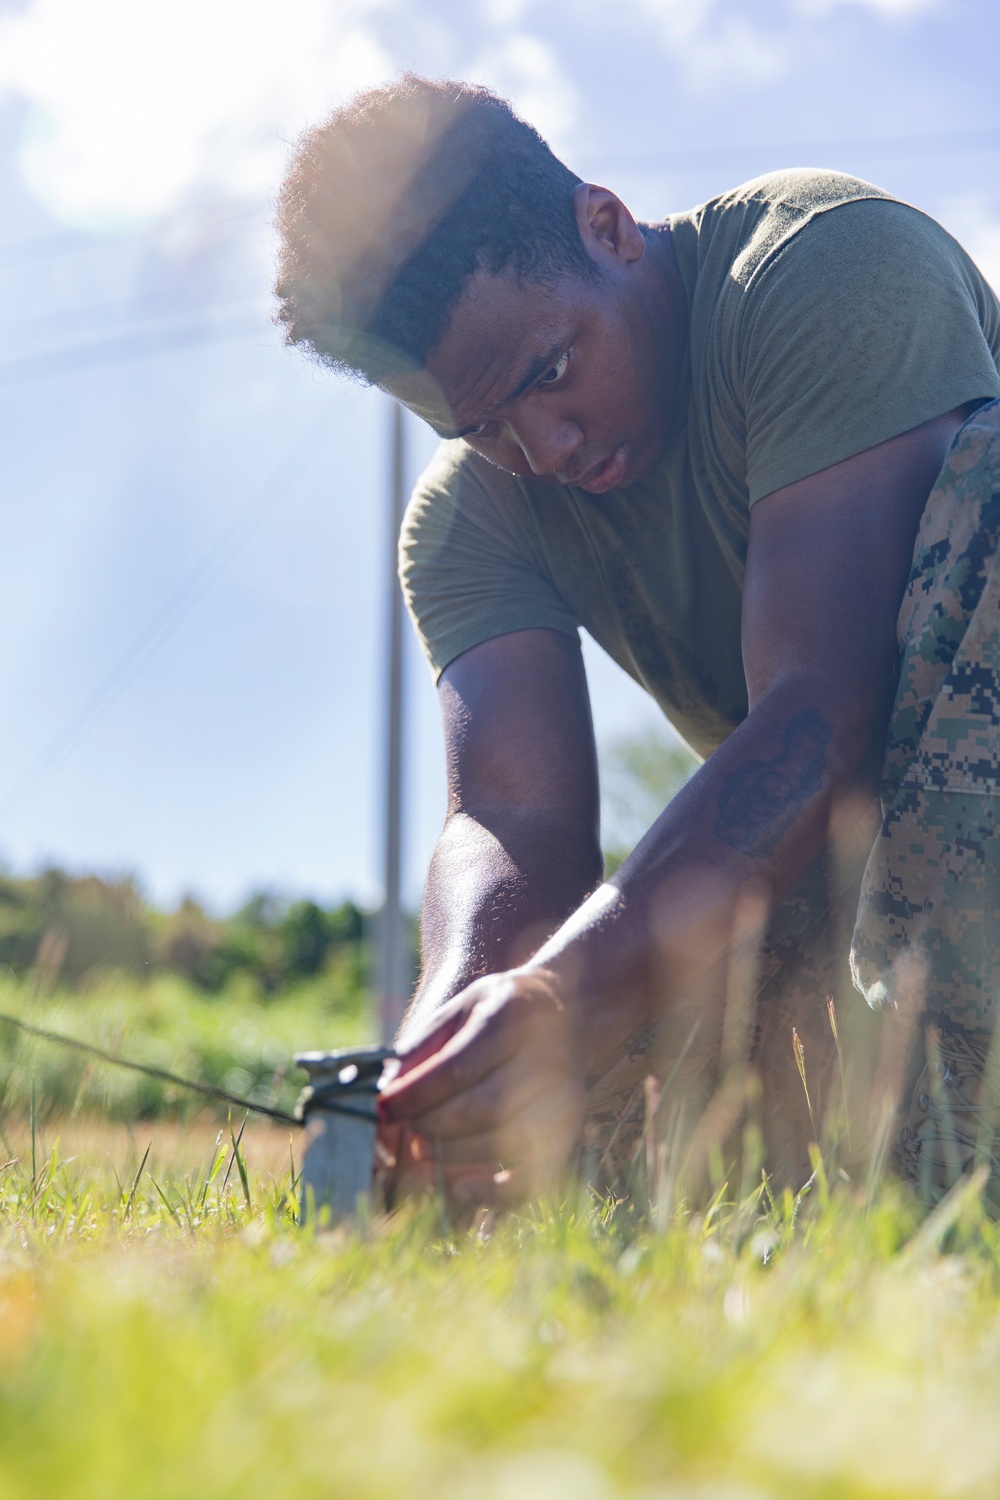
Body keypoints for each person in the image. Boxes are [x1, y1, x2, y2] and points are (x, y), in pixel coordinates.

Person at [275, 76, 1000, 1204]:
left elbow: (821, 709)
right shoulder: (472, 516)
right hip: (861, 871)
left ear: (606, 228)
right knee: (560, 1156)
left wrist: (573, 993)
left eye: (549, 373)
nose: (544, 447)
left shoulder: (826, 264)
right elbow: (509, 818)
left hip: (955, 805)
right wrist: (452, 1040)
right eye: (480, 428)